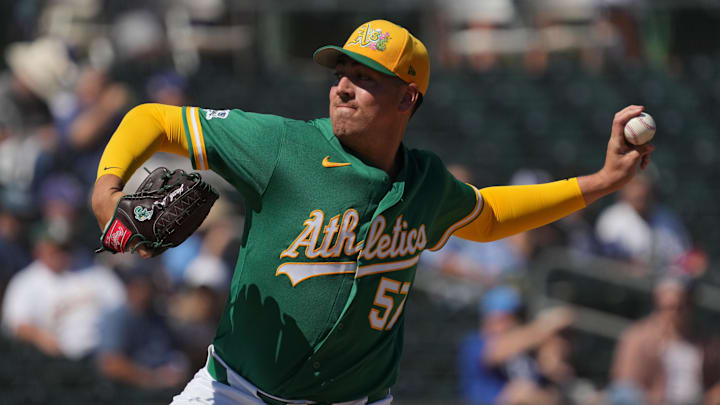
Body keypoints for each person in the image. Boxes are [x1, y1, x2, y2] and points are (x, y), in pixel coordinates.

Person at [91, 19, 653, 405]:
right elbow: (152, 119)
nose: (342, 88)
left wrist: (601, 182)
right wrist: (107, 191)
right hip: (234, 392)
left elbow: (486, 215)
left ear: (408, 98)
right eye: (341, 73)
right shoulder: (281, 146)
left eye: (364, 78)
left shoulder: (426, 182)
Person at [457, 286, 574, 405]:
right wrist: (546, 326)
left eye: (511, 318)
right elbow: (498, 351)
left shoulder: (527, 348)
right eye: (500, 319)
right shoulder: (475, 343)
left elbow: (556, 375)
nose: (505, 325)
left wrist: (552, 351)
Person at [608, 277, 703, 405]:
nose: (674, 314)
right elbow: (624, 382)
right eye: (669, 308)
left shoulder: (700, 342)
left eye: (681, 308)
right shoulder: (637, 337)